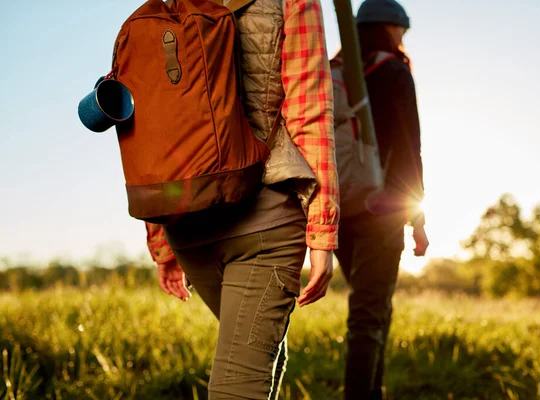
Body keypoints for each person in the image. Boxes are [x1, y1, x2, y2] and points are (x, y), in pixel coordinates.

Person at [143, 0, 339, 398]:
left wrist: (161, 238)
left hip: (187, 225)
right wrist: (322, 231)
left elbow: (153, 129)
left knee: (252, 359)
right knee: (240, 383)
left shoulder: (165, 6)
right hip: (266, 222)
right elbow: (308, 110)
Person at [333, 0, 429, 398]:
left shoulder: (338, 74)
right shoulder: (393, 71)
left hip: (340, 208)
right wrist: (418, 221)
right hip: (382, 210)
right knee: (369, 317)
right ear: (392, 29)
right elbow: (410, 150)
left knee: (371, 310)